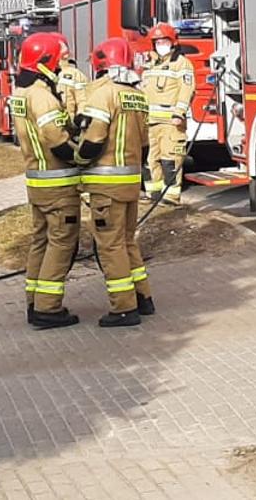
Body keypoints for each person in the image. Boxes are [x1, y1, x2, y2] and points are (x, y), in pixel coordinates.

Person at [75, 38, 154, 327]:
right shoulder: (137, 95)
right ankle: (143, 298)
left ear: (100, 64)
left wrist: (78, 160)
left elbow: (94, 138)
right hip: (130, 181)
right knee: (126, 242)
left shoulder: (102, 94)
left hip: (106, 184)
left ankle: (123, 308)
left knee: (110, 246)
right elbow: (144, 143)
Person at [11, 33, 84, 329]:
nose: (60, 65)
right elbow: (57, 142)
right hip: (57, 184)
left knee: (40, 241)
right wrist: (82, 157)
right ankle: (48, 308)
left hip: (37, 182)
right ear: (46, 61)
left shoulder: (21, 92)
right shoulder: (42, 95)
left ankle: (34, 300)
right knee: (62, 242)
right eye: (58, 59)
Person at [140, 23, 195, 204]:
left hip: (172, 123)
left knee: (170, 160)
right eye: (157, 41)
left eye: (164, 41)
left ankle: (171, 196)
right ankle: (153, 194)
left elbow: (187, 90)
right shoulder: (150, 64)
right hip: (150, 122)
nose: (160, 44)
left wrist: (179, 113)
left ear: (173, 42)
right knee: (150, 161)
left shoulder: (181, 64)